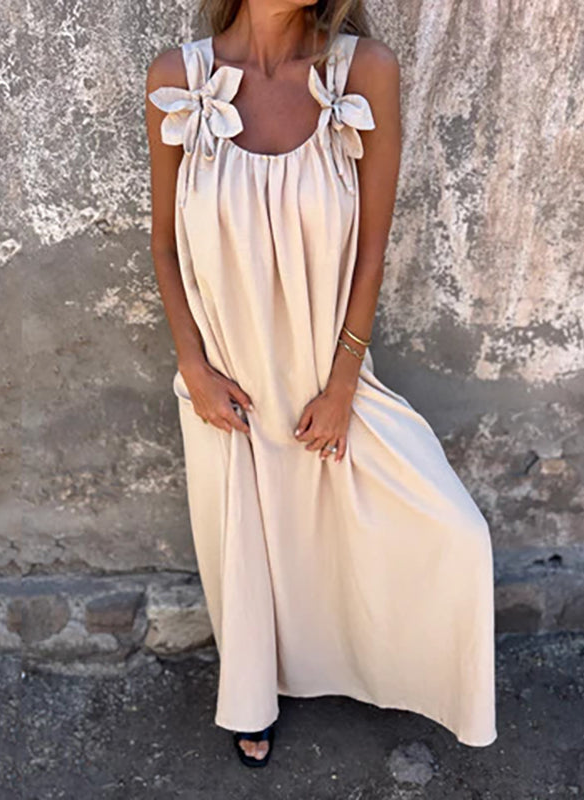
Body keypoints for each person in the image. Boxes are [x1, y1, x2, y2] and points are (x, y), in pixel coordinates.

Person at [145, 0, 497, 768]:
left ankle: (404, 675)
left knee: (458, 536)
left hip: (327, 379)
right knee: (251, 549)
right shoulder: (180, 78)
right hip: (227, 385)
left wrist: (342, 385)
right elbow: (164, 246)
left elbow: (372, 247)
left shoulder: (363, 72)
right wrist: (193, 369)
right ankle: (256, 693)